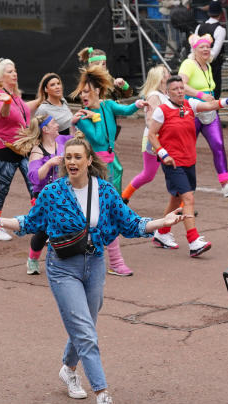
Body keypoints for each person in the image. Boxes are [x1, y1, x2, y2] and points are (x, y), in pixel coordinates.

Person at [0, 137, 185, 404]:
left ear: (89, 160)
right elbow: (29, 223)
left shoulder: (104, 191)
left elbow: (132, 224)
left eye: (77, 157)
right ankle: (103, 396)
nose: (71, 162)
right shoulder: (53, 192)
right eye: (68, 157)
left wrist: (162, 223)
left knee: (85, 324)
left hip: (94, 264)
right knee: (85, 332)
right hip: (62, 267)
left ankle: (68, 370)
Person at [148, 75, 228, 256]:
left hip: (189, 160)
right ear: (167, 92)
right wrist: (163, 153)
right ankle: (193, 241)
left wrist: (227, 101)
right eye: (175, 89)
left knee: (176, 198)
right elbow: (152, 134)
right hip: (172, 162)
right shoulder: (162, 110)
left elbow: (209, 106)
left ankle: (162, 233)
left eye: (181, 88)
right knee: (188, 198)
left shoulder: (189, 105)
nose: (179, 91)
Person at [70, 66, 147, 276]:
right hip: (95, 169)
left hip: (112, 167)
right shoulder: (82, 117)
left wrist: (138, 104)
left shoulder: (108, 106)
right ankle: (108, 260)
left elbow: (127, 110)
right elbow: (96, 139)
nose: (83, 95)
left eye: (87, 91)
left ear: (97, 90)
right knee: (98, 214)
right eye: (82, 92)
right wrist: (91, 119)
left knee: (108, 213)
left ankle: (111, 261)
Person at [178, 33, 228, 198]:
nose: (206, 49)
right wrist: (201, 95)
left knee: (218, 145)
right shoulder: (188, 64)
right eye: (202, 47)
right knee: (186, 148)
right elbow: (181, 85)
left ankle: (226, 184)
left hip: (210, 111)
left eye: (208, 47)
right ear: (195, 50)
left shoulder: (207, 66)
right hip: (191, 111)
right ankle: (182, 183)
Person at [14, 114, 71, 274]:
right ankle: (33, 259)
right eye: (53, 123)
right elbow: (34, 177)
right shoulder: (37, 152)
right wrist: (49, 164)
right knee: (43, 231)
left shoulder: (62, 141)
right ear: (45, 129)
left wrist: (76, 121)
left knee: (66, 226)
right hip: (45, 197)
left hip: (64, 194)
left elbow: (77, 139)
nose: (57, 125)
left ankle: (63, 262)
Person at [0, 58, 33, 241]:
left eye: (15, 70)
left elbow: (24, 114)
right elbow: (4, 114)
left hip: (24, 147)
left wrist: (42, 99)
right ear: (0, 77)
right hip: (5, 148)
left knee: (34, 185)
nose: (14, 74)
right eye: (10, 71)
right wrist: (6, 102)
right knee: (3, 188)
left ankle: (44, 226)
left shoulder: (17, 97)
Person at [121, 65, 171, 204]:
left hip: (165, 138)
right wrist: (157, 138)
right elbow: (150, 121)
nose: (169, 75)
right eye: (166, 73)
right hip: (154, 138)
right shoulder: (154, 96)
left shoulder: (166, 94)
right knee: (148, 174)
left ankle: (183, 203)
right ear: (160, 78)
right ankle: (124, 196)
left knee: (174, 170)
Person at [194, 0, 228, 98]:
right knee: (214, 92)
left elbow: (194, 47)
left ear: (209, 13)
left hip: (199, 64)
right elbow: (214, 53)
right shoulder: (220, 29)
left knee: (200, 91)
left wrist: (199, 61)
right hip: (213, 66)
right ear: (220, 14)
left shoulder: (199, 27)